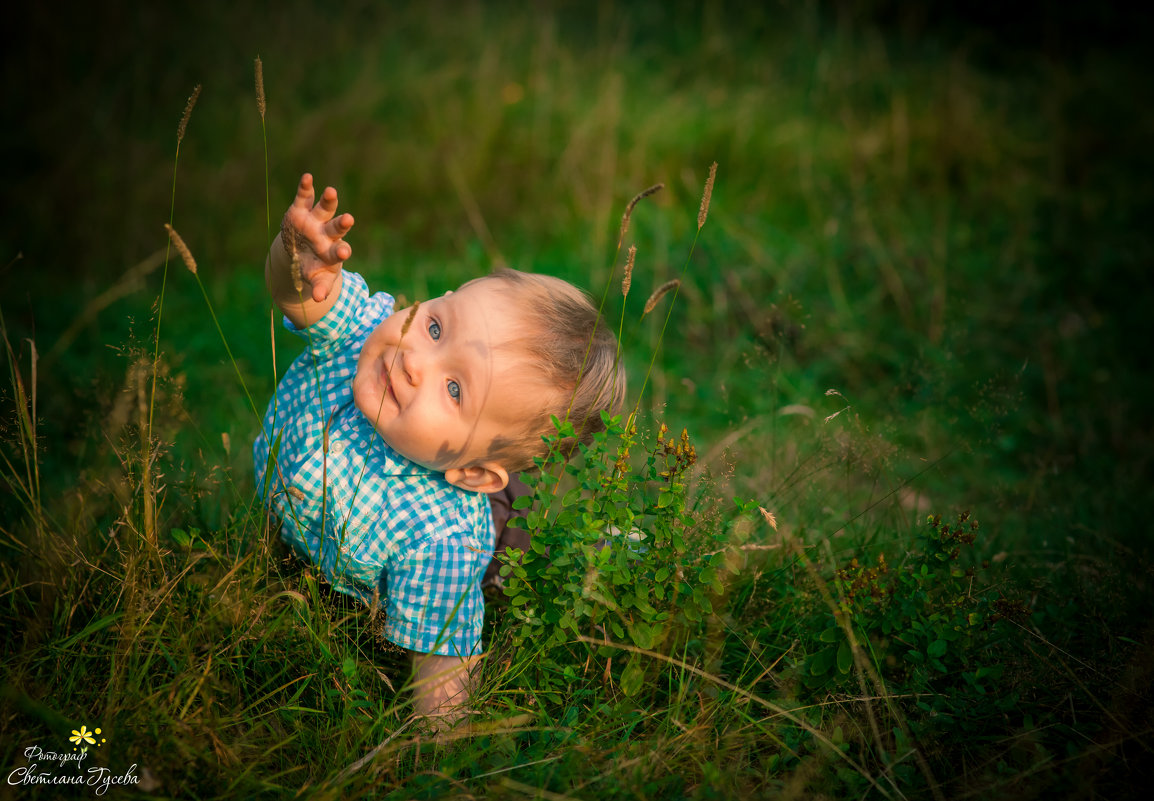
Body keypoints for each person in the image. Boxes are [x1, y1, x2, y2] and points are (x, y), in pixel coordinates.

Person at [254, 173, 625, 722]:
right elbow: (300, 299)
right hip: (309, 506)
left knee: (507, 553)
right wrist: (297, 260)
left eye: (454, 389)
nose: (413, 358)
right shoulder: (363, 330)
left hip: (478, 527)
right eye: (434, 328)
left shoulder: (442, 541)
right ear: (438, 300)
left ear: (473, 472)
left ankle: (601, 543)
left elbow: (443, 677)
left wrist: (440, 752)